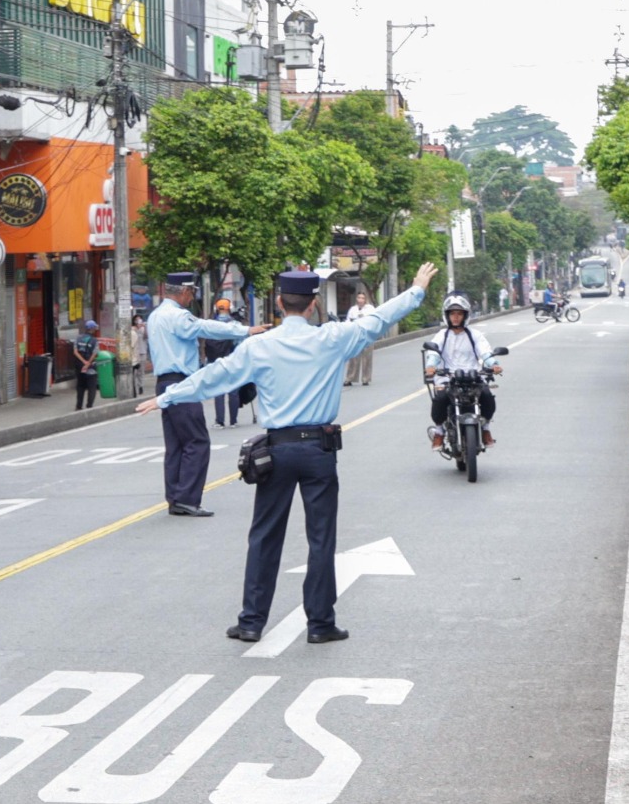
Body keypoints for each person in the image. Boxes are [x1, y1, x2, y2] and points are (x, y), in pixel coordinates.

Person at [138, 262, 439, 643]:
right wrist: (416, 288)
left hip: (276, 451)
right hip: (318, 450)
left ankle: (250, 622)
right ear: (313, 304)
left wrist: (167, 397)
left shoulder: (260, 345)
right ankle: (320, 624)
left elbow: (214, 377)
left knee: (264, 536)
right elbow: (379, 318)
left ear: (279, 303)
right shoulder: (333, 338)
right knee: (320, 538)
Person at [147, 273, 266, 516]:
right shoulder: (177, 316)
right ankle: (188, 498)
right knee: (196, 441)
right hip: (182, 383)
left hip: (164, 383)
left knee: (176, 445)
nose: (192, 297)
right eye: (191, 292)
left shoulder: (156, 315)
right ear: (183, 291)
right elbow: (205, 327)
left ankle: (176, 498)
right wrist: (245, 330)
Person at [425, 292, 502, 449]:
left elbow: (485, 352)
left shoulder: (475, 335)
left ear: (465, 315)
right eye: (452, 313)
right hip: (447, 377)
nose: (455, 317)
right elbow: (434, 351)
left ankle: (485, 429)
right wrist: (431, 366)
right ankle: (439, 432)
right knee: (440, 399)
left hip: (473, 376)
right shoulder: (442, 335)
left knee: (487, 396)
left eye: (459, 314)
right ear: (447, 315)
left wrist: (493, 364)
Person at [203, 298, 243, 427]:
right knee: (233, 392)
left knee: (218, 392)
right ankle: (233, 421)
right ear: (230, 309)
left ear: (216, 309)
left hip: (215, 362)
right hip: (232, 362)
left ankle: (219, 421)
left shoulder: (211, 325)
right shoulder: (236, 325)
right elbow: (241, 345)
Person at [343, 292, 376, 386]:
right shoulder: (353, 309)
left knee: (367, 357)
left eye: (362, 298)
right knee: (353, 358)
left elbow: (374, 320)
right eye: (359, 298)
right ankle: (350, 378)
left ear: (365, 300)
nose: (360, 300)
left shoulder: (370, 309)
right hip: (356, 334)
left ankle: (366, 379)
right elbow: (348, 320)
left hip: (367, 334)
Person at [73, 320, 100, 410]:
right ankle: (89, 405)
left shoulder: (78, 338)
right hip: (91, 366)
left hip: (79, 366)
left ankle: (78, 406)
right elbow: (95, 353)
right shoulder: (94, 340)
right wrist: (88, 363)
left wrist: (83, 362)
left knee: (80, 386)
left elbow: (75, 352)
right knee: (92, 387)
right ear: (92, 329)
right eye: (95, 327)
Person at [129, 314, 150, 397]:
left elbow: (146, 336)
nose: (138, 321)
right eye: (137, 320)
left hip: (142, 352)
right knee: (134, 372)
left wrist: (144, 327)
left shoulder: (143, 329)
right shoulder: (132, 329)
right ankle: (134, 387)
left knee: (141, 371)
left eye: (140, 320)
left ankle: (140, 386)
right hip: (134, 354)